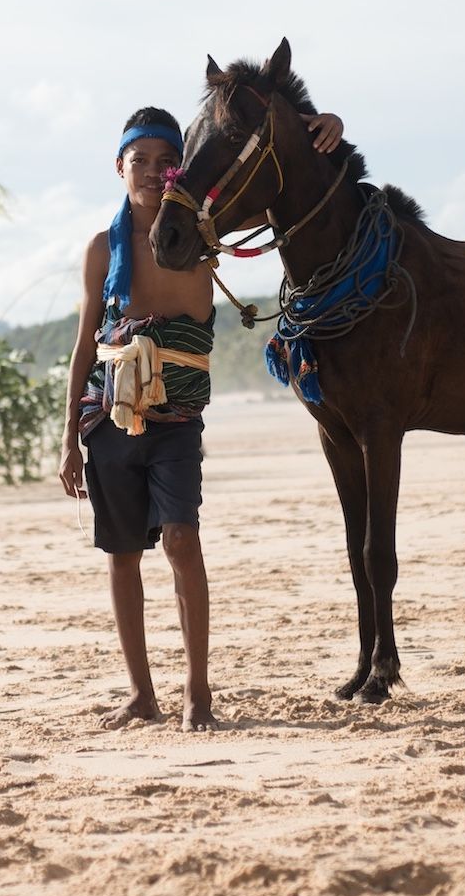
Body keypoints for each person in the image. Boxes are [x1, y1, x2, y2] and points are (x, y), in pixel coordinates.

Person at [58, 104, 340, 732]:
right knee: (123, 553)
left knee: (183, 539)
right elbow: (84, 344)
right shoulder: (103, 249)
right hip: (109, 417)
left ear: (180, 170)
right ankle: (140, 694)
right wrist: (68, 442)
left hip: (179, 417)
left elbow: (281, 191)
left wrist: (323, 128)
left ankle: (197, 693)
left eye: (167, 162)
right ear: (120, 167)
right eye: (142, 162)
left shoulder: (204, 233)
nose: (154, 173)